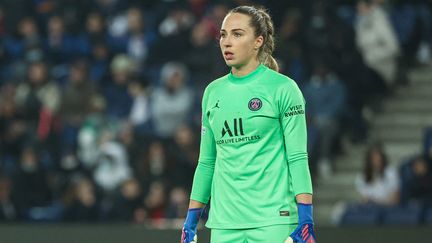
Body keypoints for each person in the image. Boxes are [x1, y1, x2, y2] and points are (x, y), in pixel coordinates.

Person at [181, 6, 316, 243]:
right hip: (224, 223)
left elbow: (297, 157)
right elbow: (206, 163)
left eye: (237, 34)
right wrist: (190, 221)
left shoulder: (283, 89)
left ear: (258, 41)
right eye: (223, 35)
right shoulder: (213, 93)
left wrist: (306, 220)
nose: (227, 42)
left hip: (274, 220)